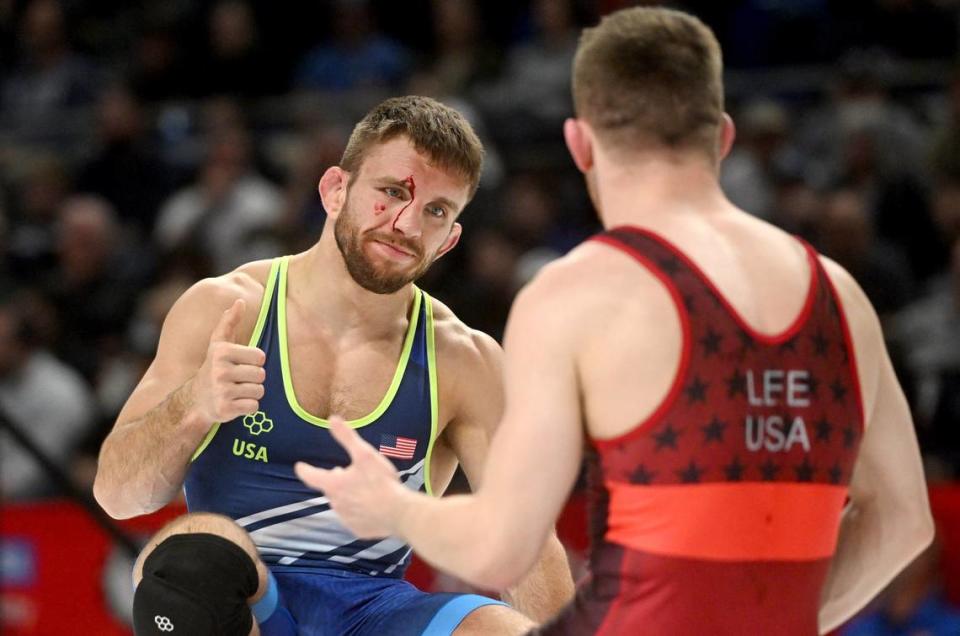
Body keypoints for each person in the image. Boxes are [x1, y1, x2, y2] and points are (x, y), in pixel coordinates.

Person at [295, 8, 935, 635]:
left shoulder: (580, 291)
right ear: (725, 136)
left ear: (579, 142)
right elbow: (905, 520)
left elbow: (500, 550)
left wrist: (394, 507)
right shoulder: (840, 292)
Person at [93, 95, 573, 635]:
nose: (407, 223)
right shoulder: (228, 309)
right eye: (392, 192)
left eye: (436, 211)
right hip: (251, 609)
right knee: (190, 555)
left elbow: (529, 542)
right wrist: (194, 404)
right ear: (334, 190)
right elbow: (117, 495)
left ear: (450, 240)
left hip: (376, 612)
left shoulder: (463, 358)